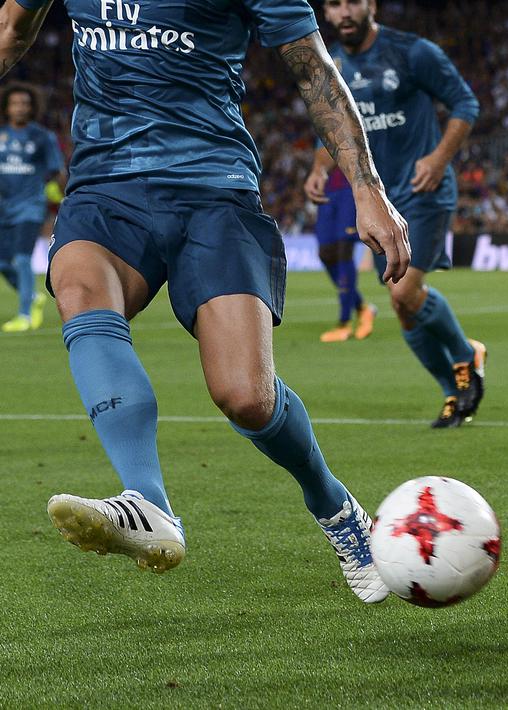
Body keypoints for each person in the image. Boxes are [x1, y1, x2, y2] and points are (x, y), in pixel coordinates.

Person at [1, 0, 410, 604]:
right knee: (80, 289)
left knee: (246, 398)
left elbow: (313, 70)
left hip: (213, 188)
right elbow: (10, 30)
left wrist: (367, 188)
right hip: (104, 186)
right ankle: (147, 501)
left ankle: (336, 508)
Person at [307, 0, 486, 429]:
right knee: (403, 306)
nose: (344, 12)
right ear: (325, 13)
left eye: (352, 2)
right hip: (379, 203)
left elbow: (465, 103)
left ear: (370, 5)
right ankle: (452, 390)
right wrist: (318, 167)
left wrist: (439, 159)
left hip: (424, 190)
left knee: (403, 293)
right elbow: (334, 127)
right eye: (334, 4)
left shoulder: (412, 52)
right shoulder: (329, 66)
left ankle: (466, 355)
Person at [0, 83, 63, 332]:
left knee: (22, 258)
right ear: (7, 107)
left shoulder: (42, 137)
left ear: (33, 107)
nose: (20, 108)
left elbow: (57, 171)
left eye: (25, 103)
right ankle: (33, 297)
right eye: (15, 103)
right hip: (4, 208)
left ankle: (25, 315)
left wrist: (63, 195)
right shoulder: (1, 135)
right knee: (3, 263)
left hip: (30, 207)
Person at [313, 167, 377, 343]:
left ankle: (344, 323)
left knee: (344, 249)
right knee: (325, 253)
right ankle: (363, 308)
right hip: (327, 186)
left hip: (350, 185)